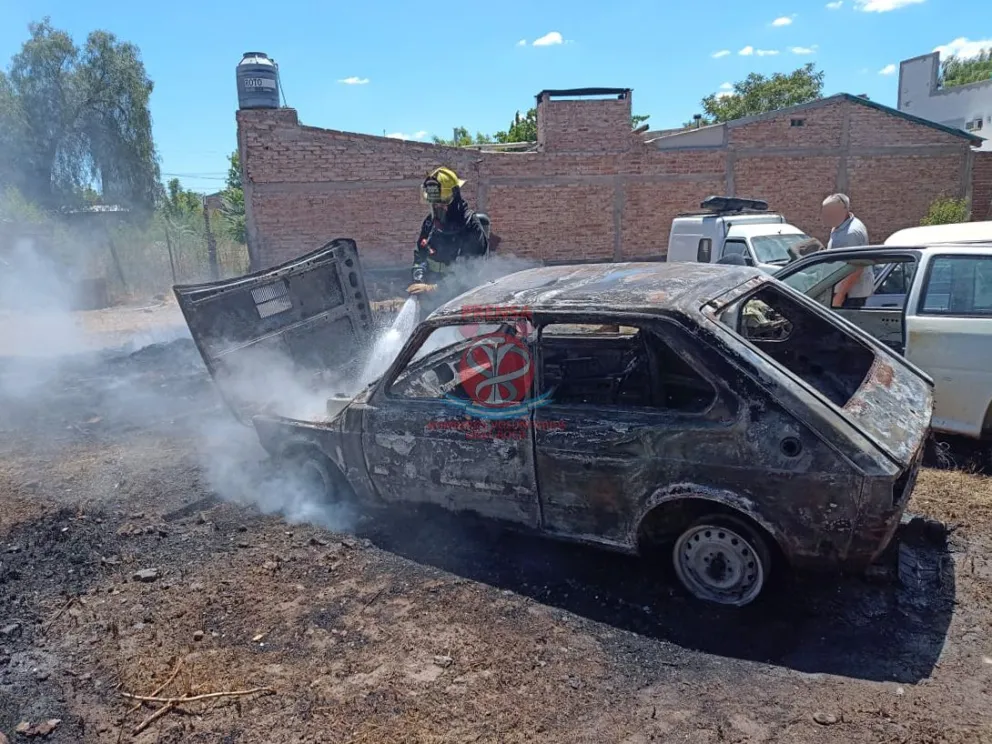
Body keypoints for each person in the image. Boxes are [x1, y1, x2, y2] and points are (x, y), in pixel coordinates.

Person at [406, 167, 490, 311]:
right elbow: (420, 252)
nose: (437, 207)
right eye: (434, 203)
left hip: (460, 298)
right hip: (431, 295)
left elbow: (470, 271)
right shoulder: (430, 222)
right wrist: (418, 276)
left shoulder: (470, 225)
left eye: (442, 202)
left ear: (455, 197)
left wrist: (435, 288)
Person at [821, 193, 872, 308]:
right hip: (844, 292)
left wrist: (840, 296)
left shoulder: (851, 233)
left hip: (849, 295)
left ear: (844, 210)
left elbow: (857, 267)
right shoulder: (839, 226)